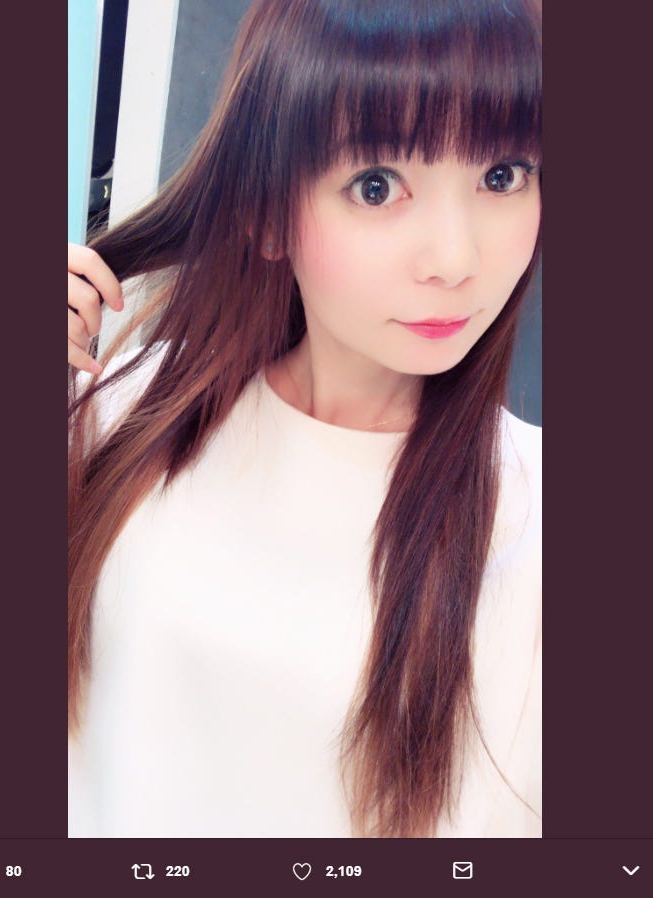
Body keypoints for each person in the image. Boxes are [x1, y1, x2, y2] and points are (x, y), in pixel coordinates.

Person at [68, 0, 542, 838]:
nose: (456, 258)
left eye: (503, 176)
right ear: (265, 213)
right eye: (376, 185)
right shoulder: (119, 414)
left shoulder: (539, 522)